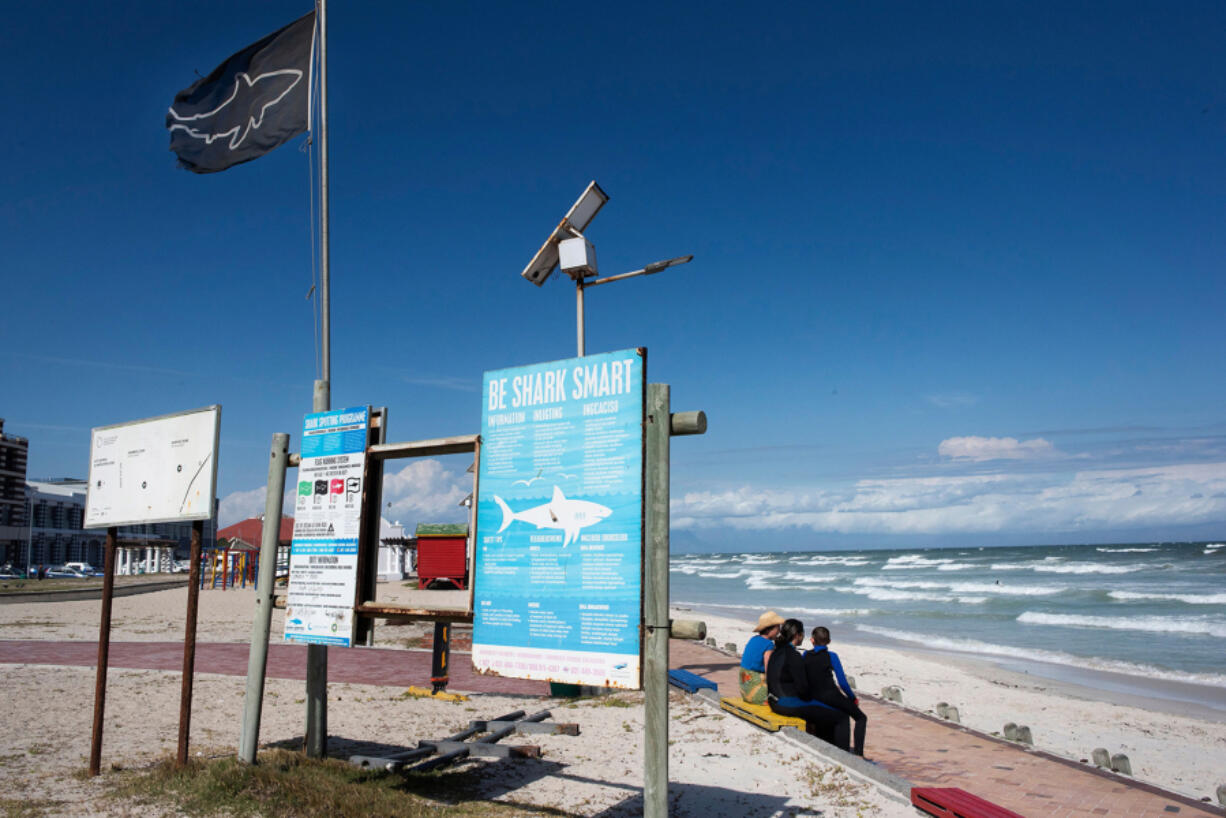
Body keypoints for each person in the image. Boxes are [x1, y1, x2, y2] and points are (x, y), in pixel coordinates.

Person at [765, 618, 850, 751]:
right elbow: (803, 689)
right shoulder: (794, 655)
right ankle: (843, 756)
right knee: (842, 716)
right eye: (803, 634)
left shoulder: (777, 651)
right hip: (785, 704)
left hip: (773, 700)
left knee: (821, 710)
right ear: (797, 635)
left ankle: (826, 746)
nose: (803, 637)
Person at [804, 626, 868, 756]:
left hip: (813, 696)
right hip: (830, 695)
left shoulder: (805, 655)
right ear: (829, 641)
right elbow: (843, 683)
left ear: (812, 640)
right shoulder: (831, 656)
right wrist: (852, 698)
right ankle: (858, 754)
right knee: (861, 718)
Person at [739, 610, 784, 704]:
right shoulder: (768, 645)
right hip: (755, 692)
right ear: (770, 629)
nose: (779, 631)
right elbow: (769, 670)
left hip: (744, 689)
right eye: (778, 628)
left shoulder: (753, 639)